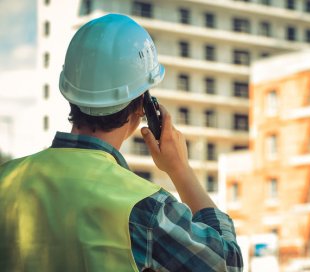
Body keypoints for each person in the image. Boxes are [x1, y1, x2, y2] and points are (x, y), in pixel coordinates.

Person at [0, 14, 243, 271]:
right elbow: (227, 264)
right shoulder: (146, 208)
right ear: (143, 105)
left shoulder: (6, 179)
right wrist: (181, 170)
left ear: (69, 92)